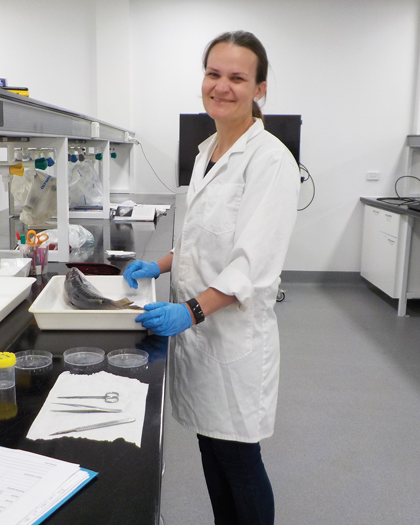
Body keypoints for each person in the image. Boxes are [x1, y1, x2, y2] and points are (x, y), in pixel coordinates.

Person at [124, 31, 300, 525]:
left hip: (232, 338)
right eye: (213, 74)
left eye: (237, 78)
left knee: (240, 461)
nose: (222, 87)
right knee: (211, 451)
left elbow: (251, 265)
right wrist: (159, 265)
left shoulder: (270, 162)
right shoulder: (208, 152)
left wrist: (191, 310)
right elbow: (206, 241)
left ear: (260, 89)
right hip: (201, 337)